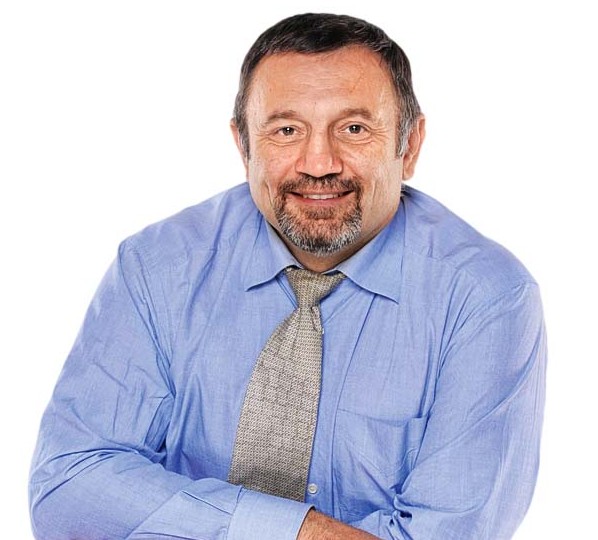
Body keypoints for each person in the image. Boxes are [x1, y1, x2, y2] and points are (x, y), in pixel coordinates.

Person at [29, 12, 547, 540]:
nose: (319, 163)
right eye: (286, 130)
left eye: (354, 129)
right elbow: (68, 488)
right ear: (243, 146)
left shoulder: (486, 299)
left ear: (408, 146)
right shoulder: (158, 268)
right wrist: (299, 532)